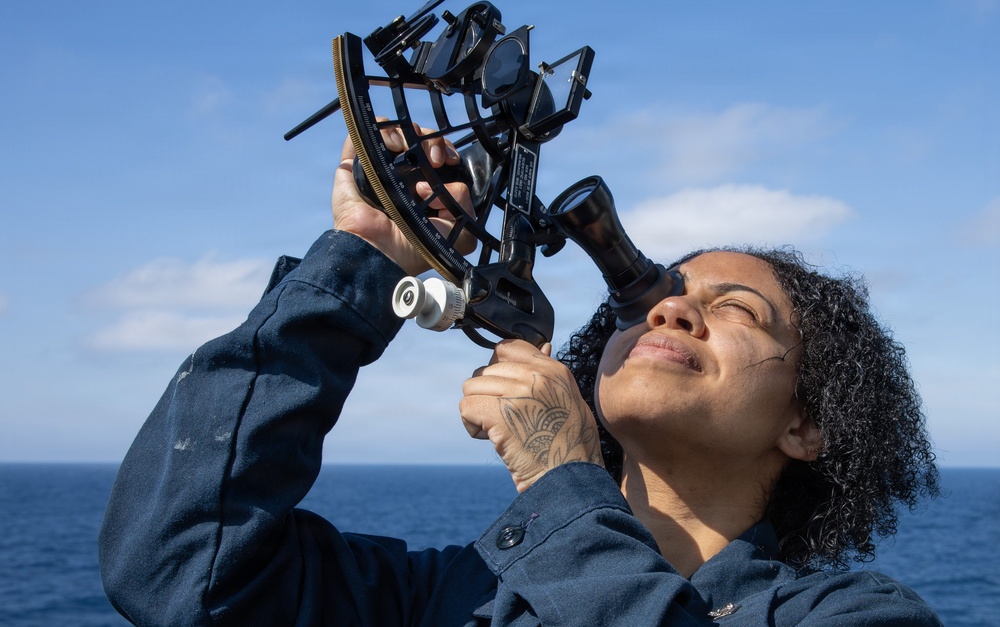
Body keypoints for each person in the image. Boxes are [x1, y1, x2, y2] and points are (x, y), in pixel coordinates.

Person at [100, 125, 942, 626]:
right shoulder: (451, 595)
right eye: (651, 295)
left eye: (738, 311)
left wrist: (564, 483)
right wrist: (364, 263)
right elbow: (177, 568)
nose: (666, 309)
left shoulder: (862, 616)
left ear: (806, 424)